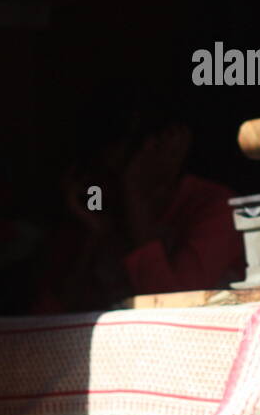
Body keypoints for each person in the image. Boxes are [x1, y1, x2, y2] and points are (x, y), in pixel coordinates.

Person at [34, 94, 243, 312]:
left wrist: (134, 198)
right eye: (110, 168)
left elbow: (173, 306)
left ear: (172, 142)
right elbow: (52, 311)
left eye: (130, 157)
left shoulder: (214, 207)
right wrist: (94, 233)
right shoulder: (97, 199)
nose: (118, 173)